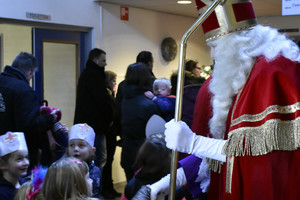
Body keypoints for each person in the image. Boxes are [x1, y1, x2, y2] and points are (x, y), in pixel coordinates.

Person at [133, 0, 300, 200]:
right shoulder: (242, 74)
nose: (212, 54)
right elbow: (223, 154)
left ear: (236, 42)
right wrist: (172, 179)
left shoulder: (272, 72)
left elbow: (260, 158)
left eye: (213, 45)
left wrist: (195, 143)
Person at [0, 52, 58, 170]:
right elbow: (30, 126)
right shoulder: (24, 90)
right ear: (29, 72)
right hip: (16, 154)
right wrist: (50, 118)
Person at [74, 48, 114, 171]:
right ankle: (94, 186)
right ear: (95, 60)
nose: (105, 64)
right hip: (96, 125)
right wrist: (110, 117)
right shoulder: (95, 76)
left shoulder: (87, 74)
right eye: (103, 60)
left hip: (88, 124)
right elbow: (101, 101)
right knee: (99, 157)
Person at [121, 62, 161, 182]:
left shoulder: (124, 100)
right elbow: (157, 134)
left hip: (127, 153)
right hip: (145, 157)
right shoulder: (149, 104)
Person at [66, 123, 104, 200]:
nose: (75, 149)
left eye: (81, 145)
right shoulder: (64, 169)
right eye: (72, 145)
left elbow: (96, 194)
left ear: (92, 151)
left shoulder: (94, 172)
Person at [101, 71, 122, 198]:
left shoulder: (110, 94)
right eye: (113, 81)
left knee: (109, 160)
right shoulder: (106, 95)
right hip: (109, 132)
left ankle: (109, 187)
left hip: (111, 132)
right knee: (107, 160)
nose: (115, 83)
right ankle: (107, 188)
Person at [0, 132, 29, 200]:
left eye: (27, 157)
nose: (26, 163)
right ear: (2, 164)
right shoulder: (2, 194)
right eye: (19, 159)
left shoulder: (25, 184)